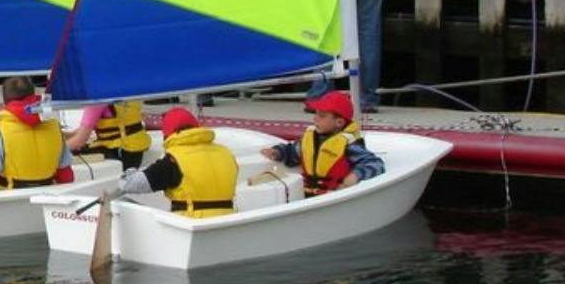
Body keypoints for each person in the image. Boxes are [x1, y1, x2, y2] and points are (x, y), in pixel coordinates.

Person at [109, 107, 238, 218]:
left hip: (190, 222)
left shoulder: (173, 161)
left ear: (167, 135)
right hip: (228, 221)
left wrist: (130, 171)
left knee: (123, 201)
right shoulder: (226, 153)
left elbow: (130, 184)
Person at [261, 90, 385, 194]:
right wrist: (277, 152)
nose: (315, 118)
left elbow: (375, 163)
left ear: (339, 122)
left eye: (322, 116)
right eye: (316, 114)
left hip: (335, 196)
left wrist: (354, 177)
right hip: (308, 194)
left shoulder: (348, 145)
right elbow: (292, 152)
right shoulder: (310, 138)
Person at [65, 98, 151, 169]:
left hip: (118, 152)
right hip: (135, 151)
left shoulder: (96, 100)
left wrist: (59, 149)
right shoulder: (126, 91)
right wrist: (62, 135)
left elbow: (79, 141)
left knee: (70, 153)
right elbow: (83, 130)